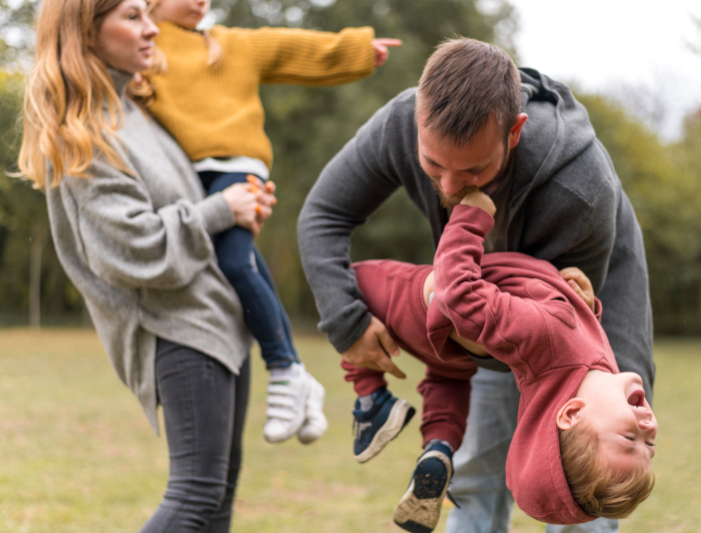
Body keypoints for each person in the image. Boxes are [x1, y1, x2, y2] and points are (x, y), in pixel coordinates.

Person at [298, 38, 655, 533]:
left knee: (579, 502)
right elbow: (323, 214)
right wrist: (347, 322)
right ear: (417, 118)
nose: (448, 187)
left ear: (515, 133)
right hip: (490, 296)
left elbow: (545, 327)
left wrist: (437, 305)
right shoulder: (401, 124)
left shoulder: (579, 185)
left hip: (590, 328)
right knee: (475, 478)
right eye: (432, 165)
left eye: (472, 170)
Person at [18, 0, 275, 530]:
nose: (152, 27)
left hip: (220, 322)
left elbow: (188, 203)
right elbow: (135, 249)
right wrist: (221, 210)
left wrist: (239, 205)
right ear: (85, 33)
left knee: (217, 501)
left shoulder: (135, 111)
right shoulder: (82, 134)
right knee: (195, 497)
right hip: (176, 330)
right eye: (132, 16)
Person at [143, 0, 401, 443]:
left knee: (235, 264)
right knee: (242, 261)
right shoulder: (147, 49)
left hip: (238, 169)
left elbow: (292, 49)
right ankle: (300, 375)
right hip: (188, 178)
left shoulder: (229, 44)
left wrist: (357, 50)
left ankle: (282, 366)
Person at [344, 190, 657, 532]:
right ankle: (436, 439)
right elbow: (578, 332)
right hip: (450, 342)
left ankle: (372, 395)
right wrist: (583, 301)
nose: (649, 427)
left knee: (351, 289)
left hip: (420, 304)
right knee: (445, 379)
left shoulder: (544, 335)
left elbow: (459, 296)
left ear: (572, 412)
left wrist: (468, 219)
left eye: (631, 438)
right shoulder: (597, 374)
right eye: (651, 444)